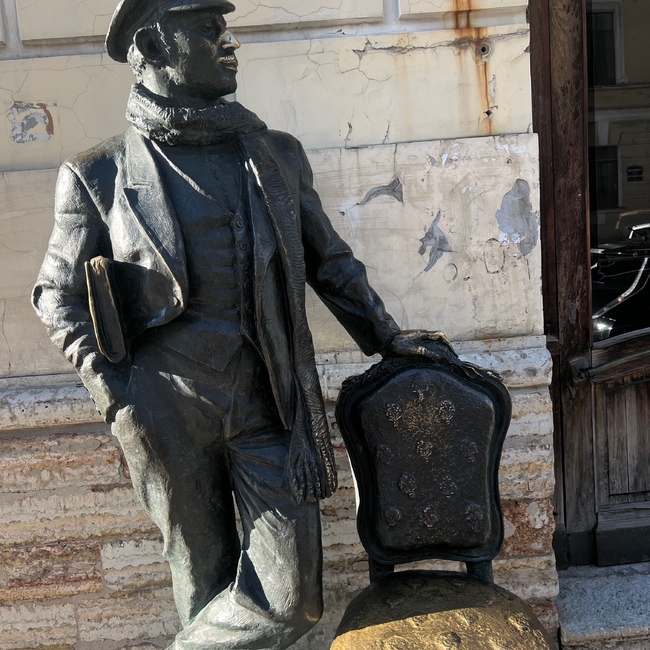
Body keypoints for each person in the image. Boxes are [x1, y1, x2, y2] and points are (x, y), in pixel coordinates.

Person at [32, 1, 453, 648]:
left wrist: (385, 336)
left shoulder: (274, 155)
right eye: (208, 29)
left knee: (291, 603)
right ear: (154, 44)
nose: (230, 42)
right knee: (202, 583)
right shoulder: (99, 173)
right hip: (164, 410)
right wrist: (117, 393)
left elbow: (330, 262)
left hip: (270, 402)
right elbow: (55, 295)